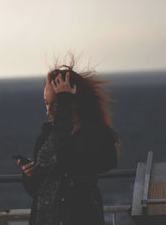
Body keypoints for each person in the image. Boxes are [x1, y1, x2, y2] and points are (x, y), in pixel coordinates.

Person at [18, 62, 119, 225]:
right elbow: (38, 190)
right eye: (46, 103)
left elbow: (68, 159)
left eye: (55, 103)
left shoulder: (94, 134)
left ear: (73, 101)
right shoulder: (47, 135)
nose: (48, 111)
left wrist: (64, 106)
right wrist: (31, 175)